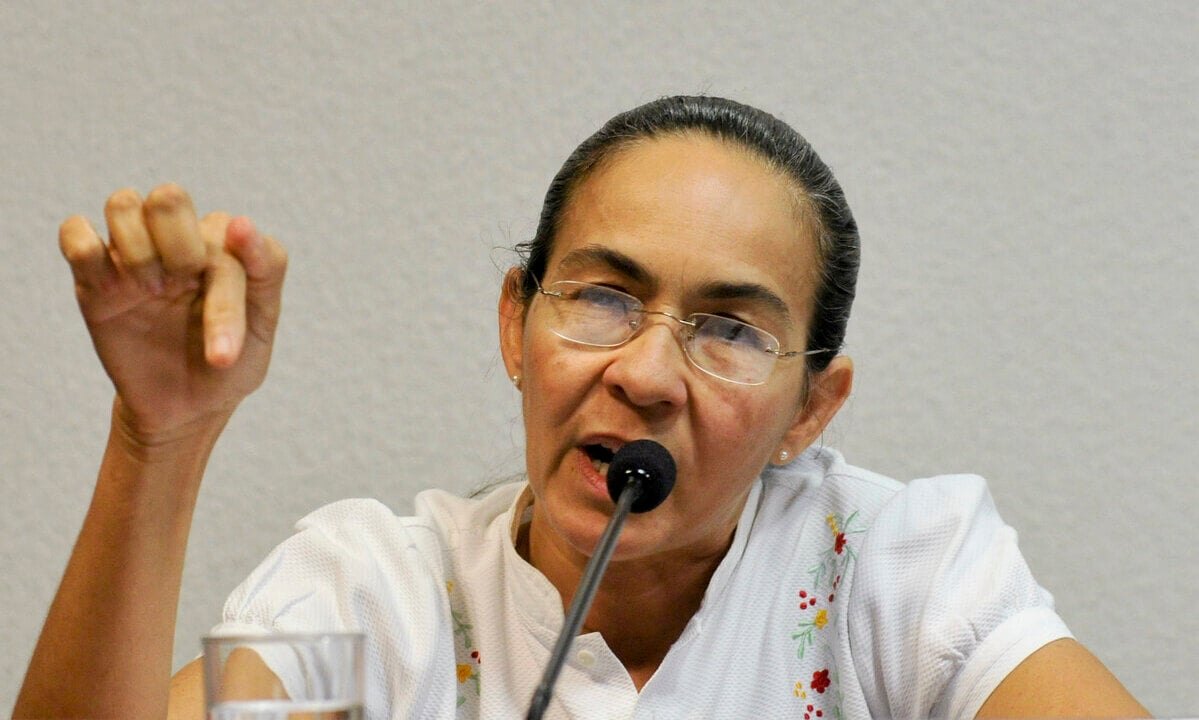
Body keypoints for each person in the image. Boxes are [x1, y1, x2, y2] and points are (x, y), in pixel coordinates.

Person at [15, 96, 1147, 719]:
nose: (646, 374)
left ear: (810, 409)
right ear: (516, 323)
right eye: (603, 298)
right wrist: (159, 436)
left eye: (729, 329)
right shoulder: (373, 594)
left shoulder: (897, 570)